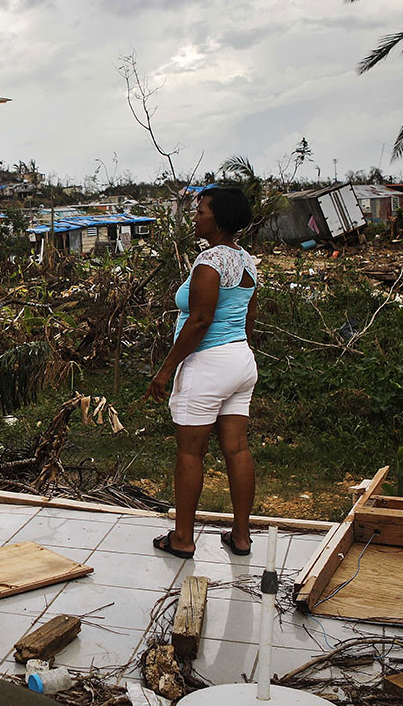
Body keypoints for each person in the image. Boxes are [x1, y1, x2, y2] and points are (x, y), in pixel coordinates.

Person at [147, 186, 259, 559]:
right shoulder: (247, 262)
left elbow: (199, 321)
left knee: (190, 453)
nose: (195, 217)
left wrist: (165, 371)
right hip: (241, 360)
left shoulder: (210, 261)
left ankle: (182, 538)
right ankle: (241, 537)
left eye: (201, 211)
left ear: (219, 218)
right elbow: (249, 317)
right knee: (237, 448)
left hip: (208, 364)